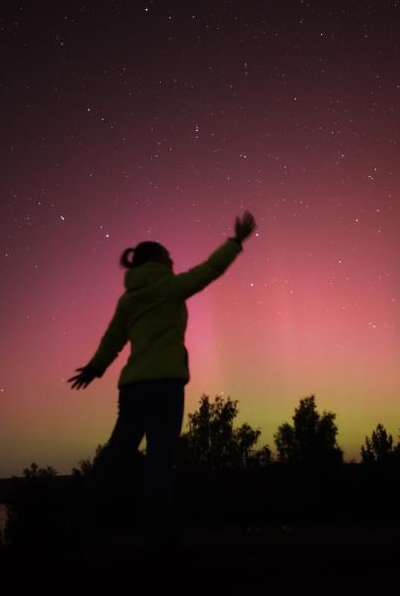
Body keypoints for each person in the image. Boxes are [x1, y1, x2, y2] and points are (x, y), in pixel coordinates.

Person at [68, 210, 256, 547]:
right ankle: (156, 535)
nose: (172, 259)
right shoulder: (170, 287)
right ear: (156, 260)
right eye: (167, 255)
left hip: (133, 387)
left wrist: (95, 368)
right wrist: (237, 241)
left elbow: (113, 339)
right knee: (160, 460)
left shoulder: (128, 299)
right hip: (165, 386)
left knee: (117, 453)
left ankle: (83, 513)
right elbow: (209, 270)